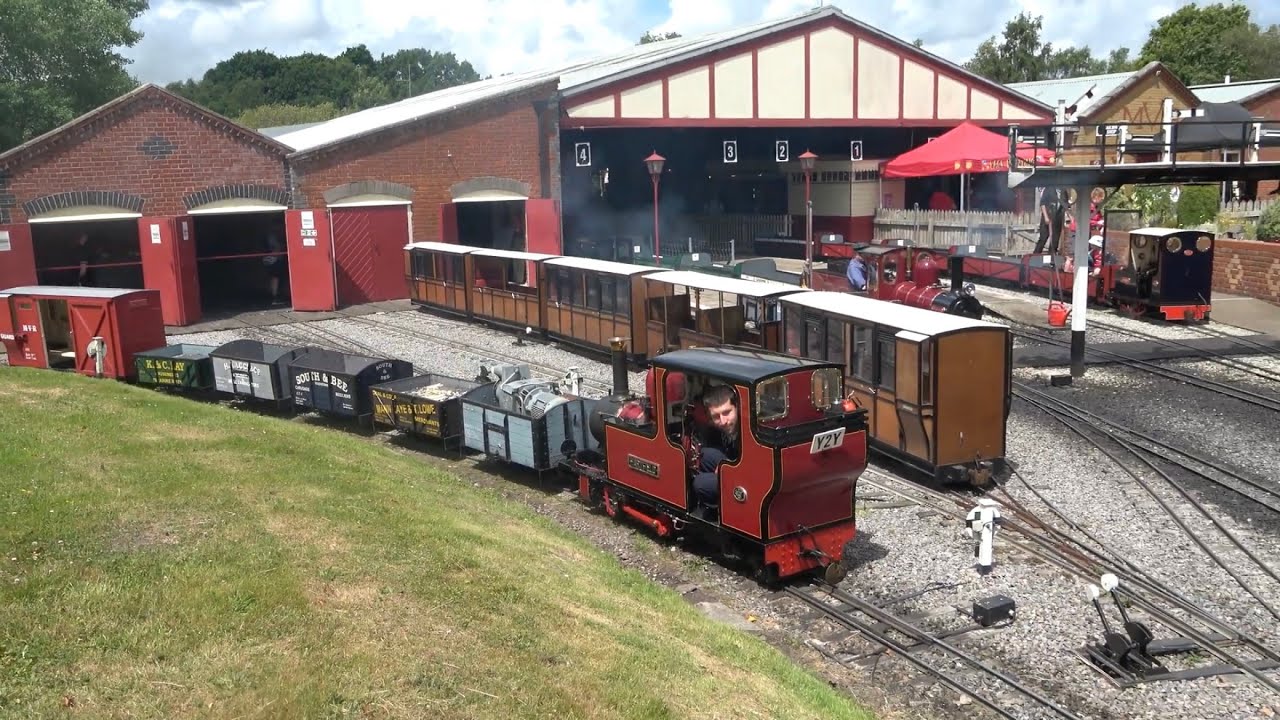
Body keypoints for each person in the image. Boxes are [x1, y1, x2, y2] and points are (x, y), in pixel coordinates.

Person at [692, 385, 740, 517]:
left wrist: (728, 469)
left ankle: (724, 512)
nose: (723, 421)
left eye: (727, 412)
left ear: (737, 408)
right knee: (704, 455)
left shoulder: (748, 431)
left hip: (750, 477)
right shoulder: (719, 430)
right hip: (736, 464)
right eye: (716, 416)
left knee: (701, 483)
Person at [263, 232, 288, 306]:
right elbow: (276, 248)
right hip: (274, 259)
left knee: (274, 278)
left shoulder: (271, 236)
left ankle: (274, 296)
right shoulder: (273, 237)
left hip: (271, 258)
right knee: (275, 278)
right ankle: (275, 297)